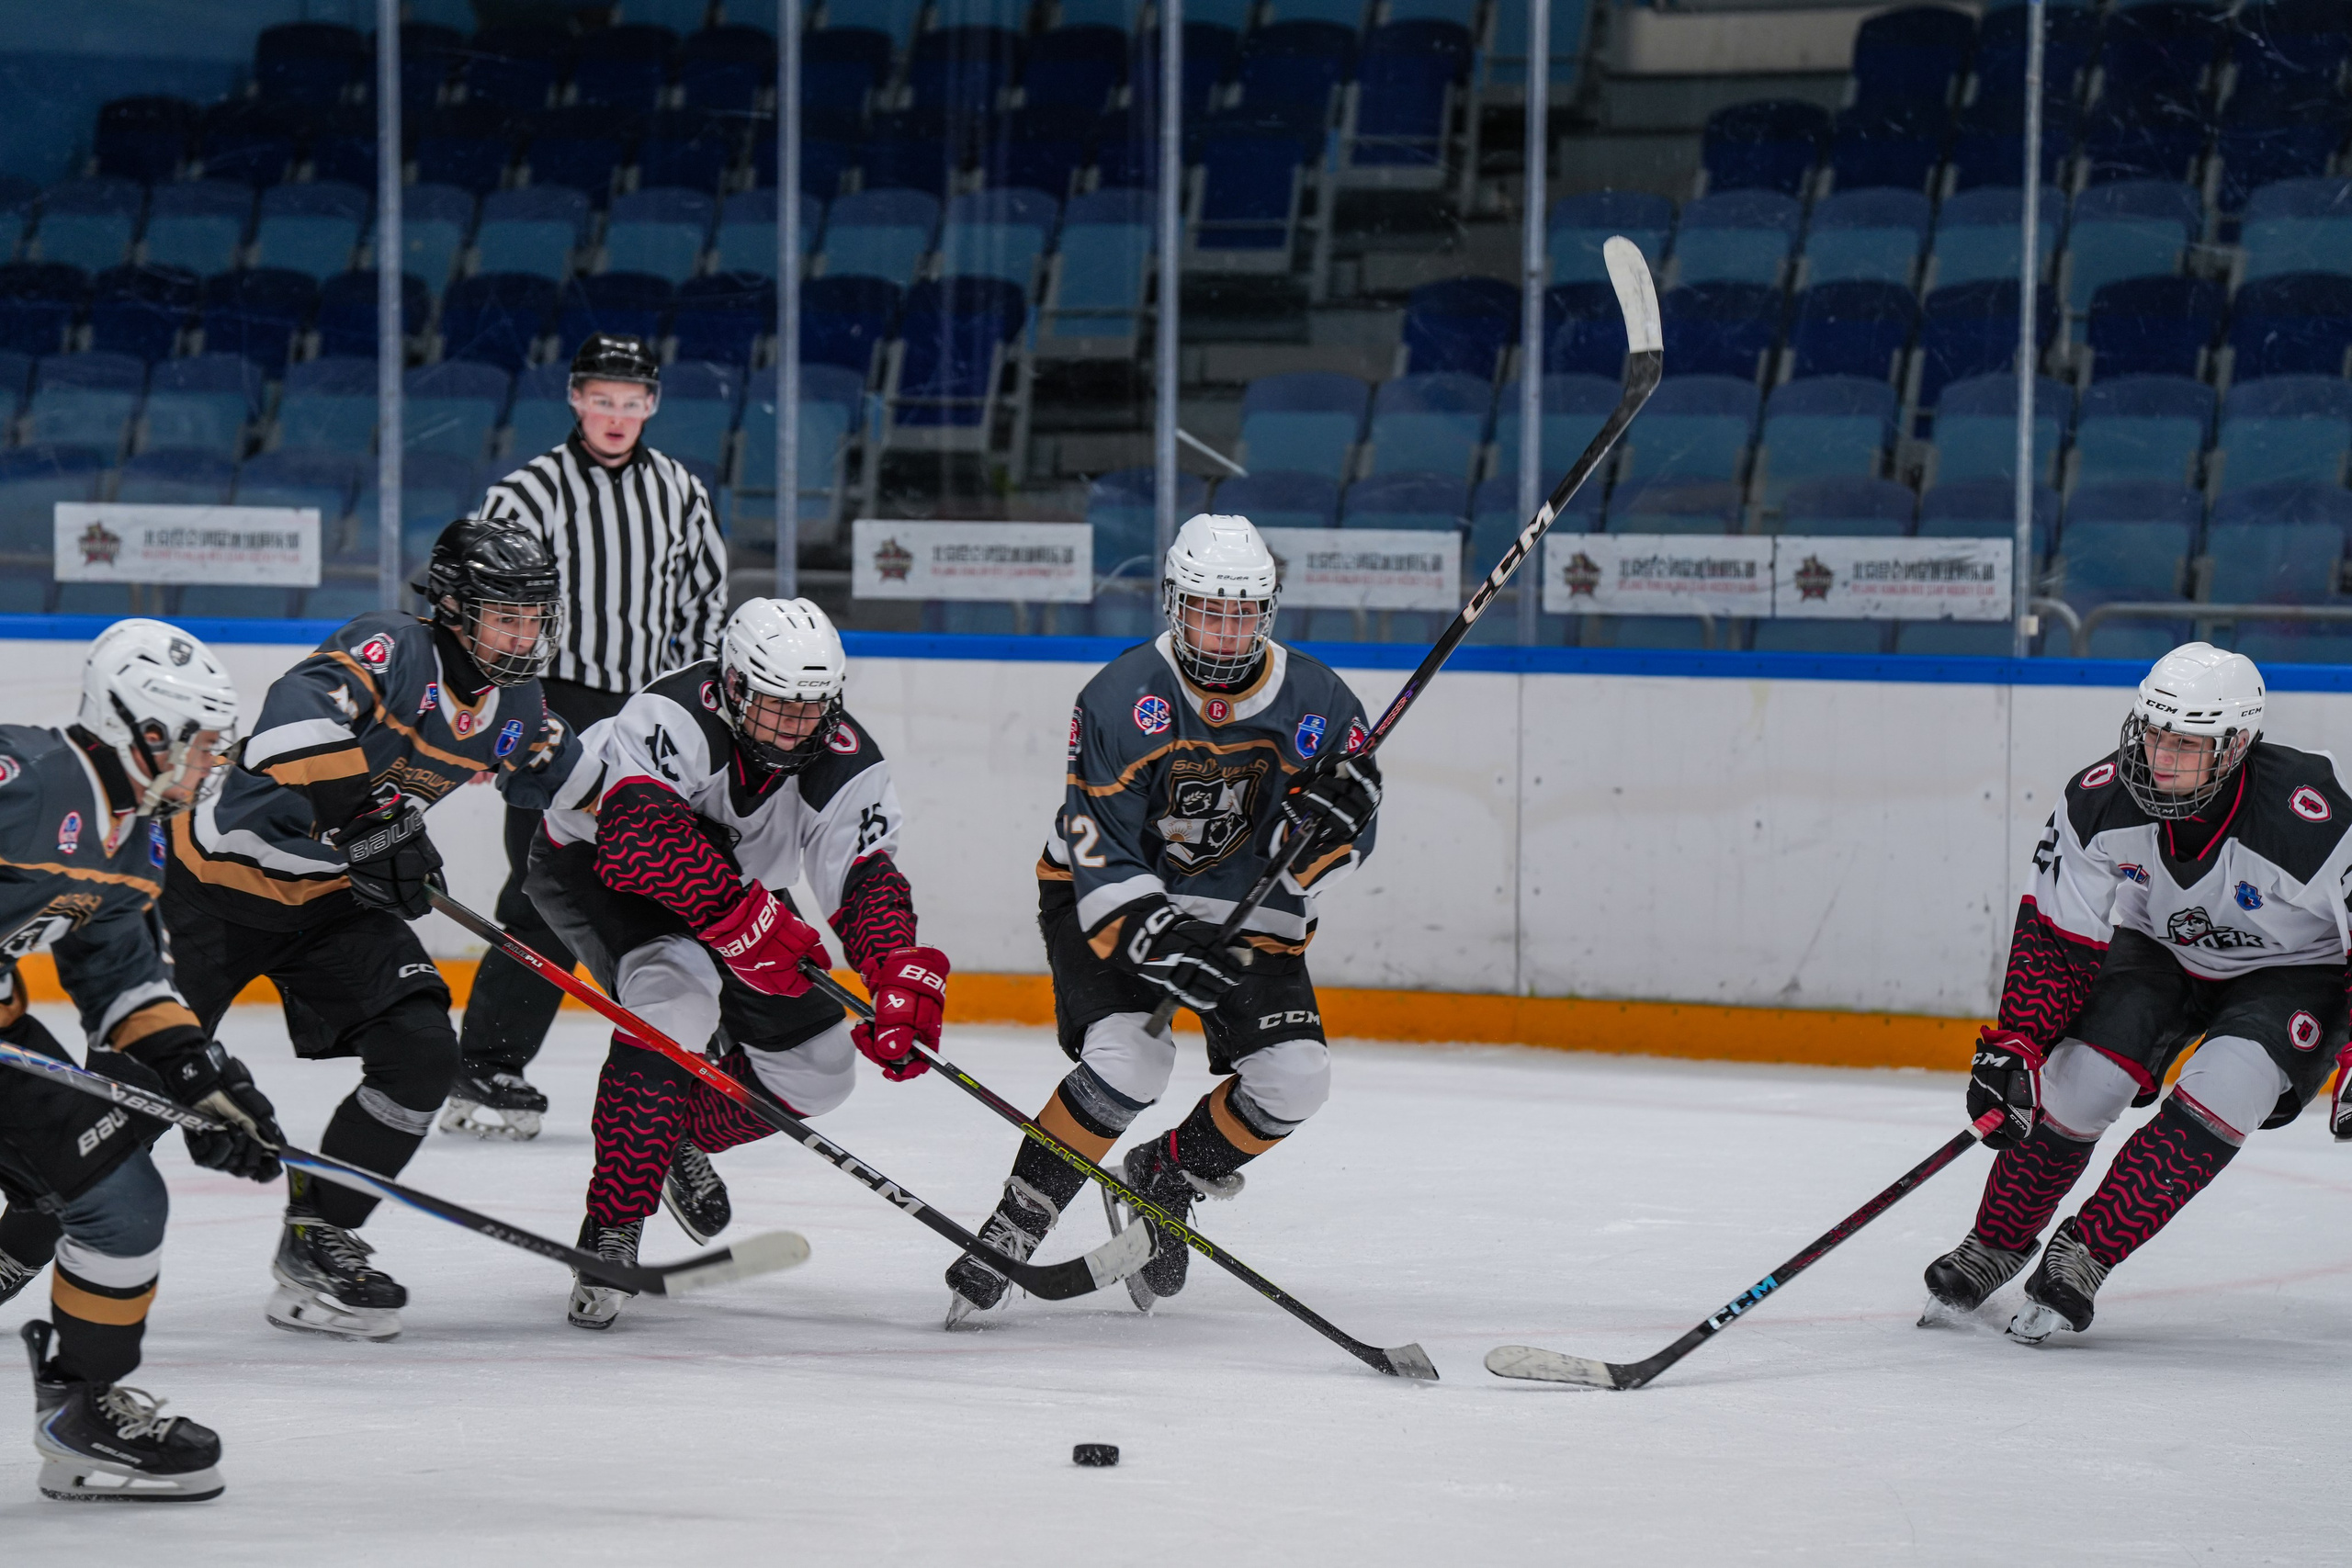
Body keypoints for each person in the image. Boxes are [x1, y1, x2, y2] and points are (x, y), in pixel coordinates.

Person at [944, 514, 1384, 1325]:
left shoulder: (1323, 701)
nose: (1225, 633)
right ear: (1175, 604)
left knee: (1296, 1078)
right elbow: (1099, 850)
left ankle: (1166, 1177)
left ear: (1269, 610)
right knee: (1132, 1058)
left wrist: (1337, 825)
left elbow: (1335, 849)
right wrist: (1157, 943)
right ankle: (1017, 1222)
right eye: (1209, 612)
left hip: (1242, 915)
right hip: (1112, 897)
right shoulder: (1119, 696)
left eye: (1242, 613)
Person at [159, 519, 579, 1342]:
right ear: (452, 608)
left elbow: (567, 784)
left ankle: (322, 1237)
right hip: (210, 888)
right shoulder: (391, 647)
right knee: (126, 1095)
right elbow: (290, 717)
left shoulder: (517, 703)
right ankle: (20, 1243)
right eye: (505, 617)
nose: (523, 636)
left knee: (423, 1053)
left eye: (535, 619)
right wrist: (373, 822)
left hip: (331, 905)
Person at [530, 596, 949, 1330]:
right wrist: (740, 921)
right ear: (730, 684)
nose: (794, 727)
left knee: (820, 1066)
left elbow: (866, 878)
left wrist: (894, 971)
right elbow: (640, 836)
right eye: (775, 706)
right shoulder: (674, 714)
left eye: (811, 708)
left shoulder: (844, 761)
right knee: (677, 997)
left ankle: (669, 1133)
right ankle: (612, 1227)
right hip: (597, 860)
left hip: (731, 882)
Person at [1922, 643, 2352, 1341]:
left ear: (2237, 744)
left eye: (2186, 742)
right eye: (2153, 733)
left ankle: (2084, 1253)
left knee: (2229, 1083)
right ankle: (1997, 1239)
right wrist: (2017, 1044)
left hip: (2295, 973)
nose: (2161, 756)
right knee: (2079, 1080)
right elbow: (2057, 935)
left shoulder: (2309, 820)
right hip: (2161, 953)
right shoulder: (2097, 800)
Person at [0, 620, 281, 1502]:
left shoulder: (133, 837)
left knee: (118, 1195)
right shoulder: (26, 777)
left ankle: (82, 1409)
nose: (212, 766)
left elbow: (119, 978)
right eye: (203, 745)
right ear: (145, 730)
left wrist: (203, 1078)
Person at [447, 332, 729, 1143]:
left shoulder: (680, 492)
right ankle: (490, 1060)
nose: (614, 414)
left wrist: (695, 712)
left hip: (650, 712)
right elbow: (479, 608)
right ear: (575, 398)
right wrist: (483, 713)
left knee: (675, 877)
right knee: (547, 881)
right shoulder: (526, 493)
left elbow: (704, 609)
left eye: (630, 400)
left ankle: (691, 1060)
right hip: (549, 705)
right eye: (600, 398)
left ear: (652, 404)